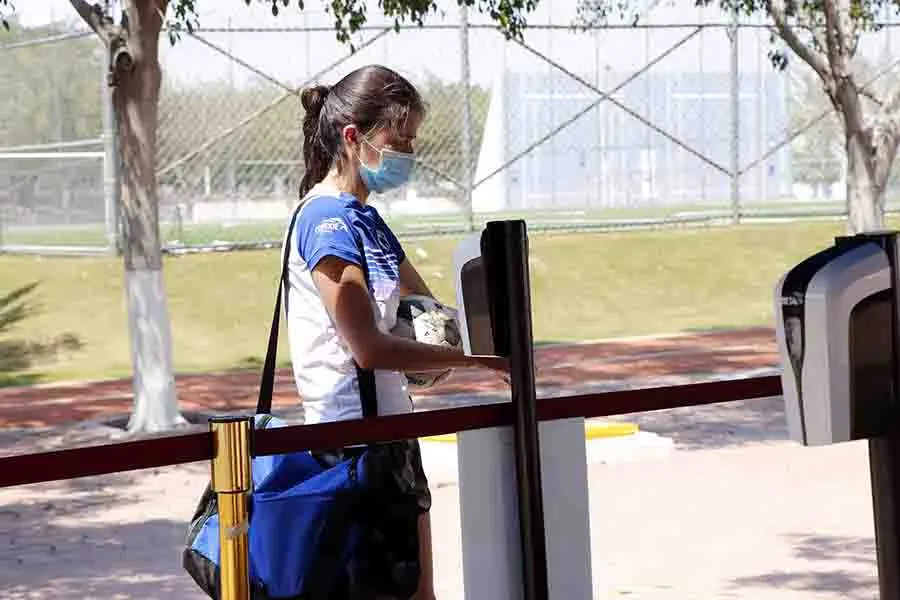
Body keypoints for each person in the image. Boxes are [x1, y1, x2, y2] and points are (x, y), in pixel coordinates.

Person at [284, 64, 508, 599]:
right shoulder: (326, 223)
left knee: (417, 593)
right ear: (353, 137)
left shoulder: (369, 220)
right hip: (350, 450)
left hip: (391, 442)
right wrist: (480, 364)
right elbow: (367, 347)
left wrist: (475, 331)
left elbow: (428, 311)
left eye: (413, 139)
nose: (409, 152)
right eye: (399, 138)